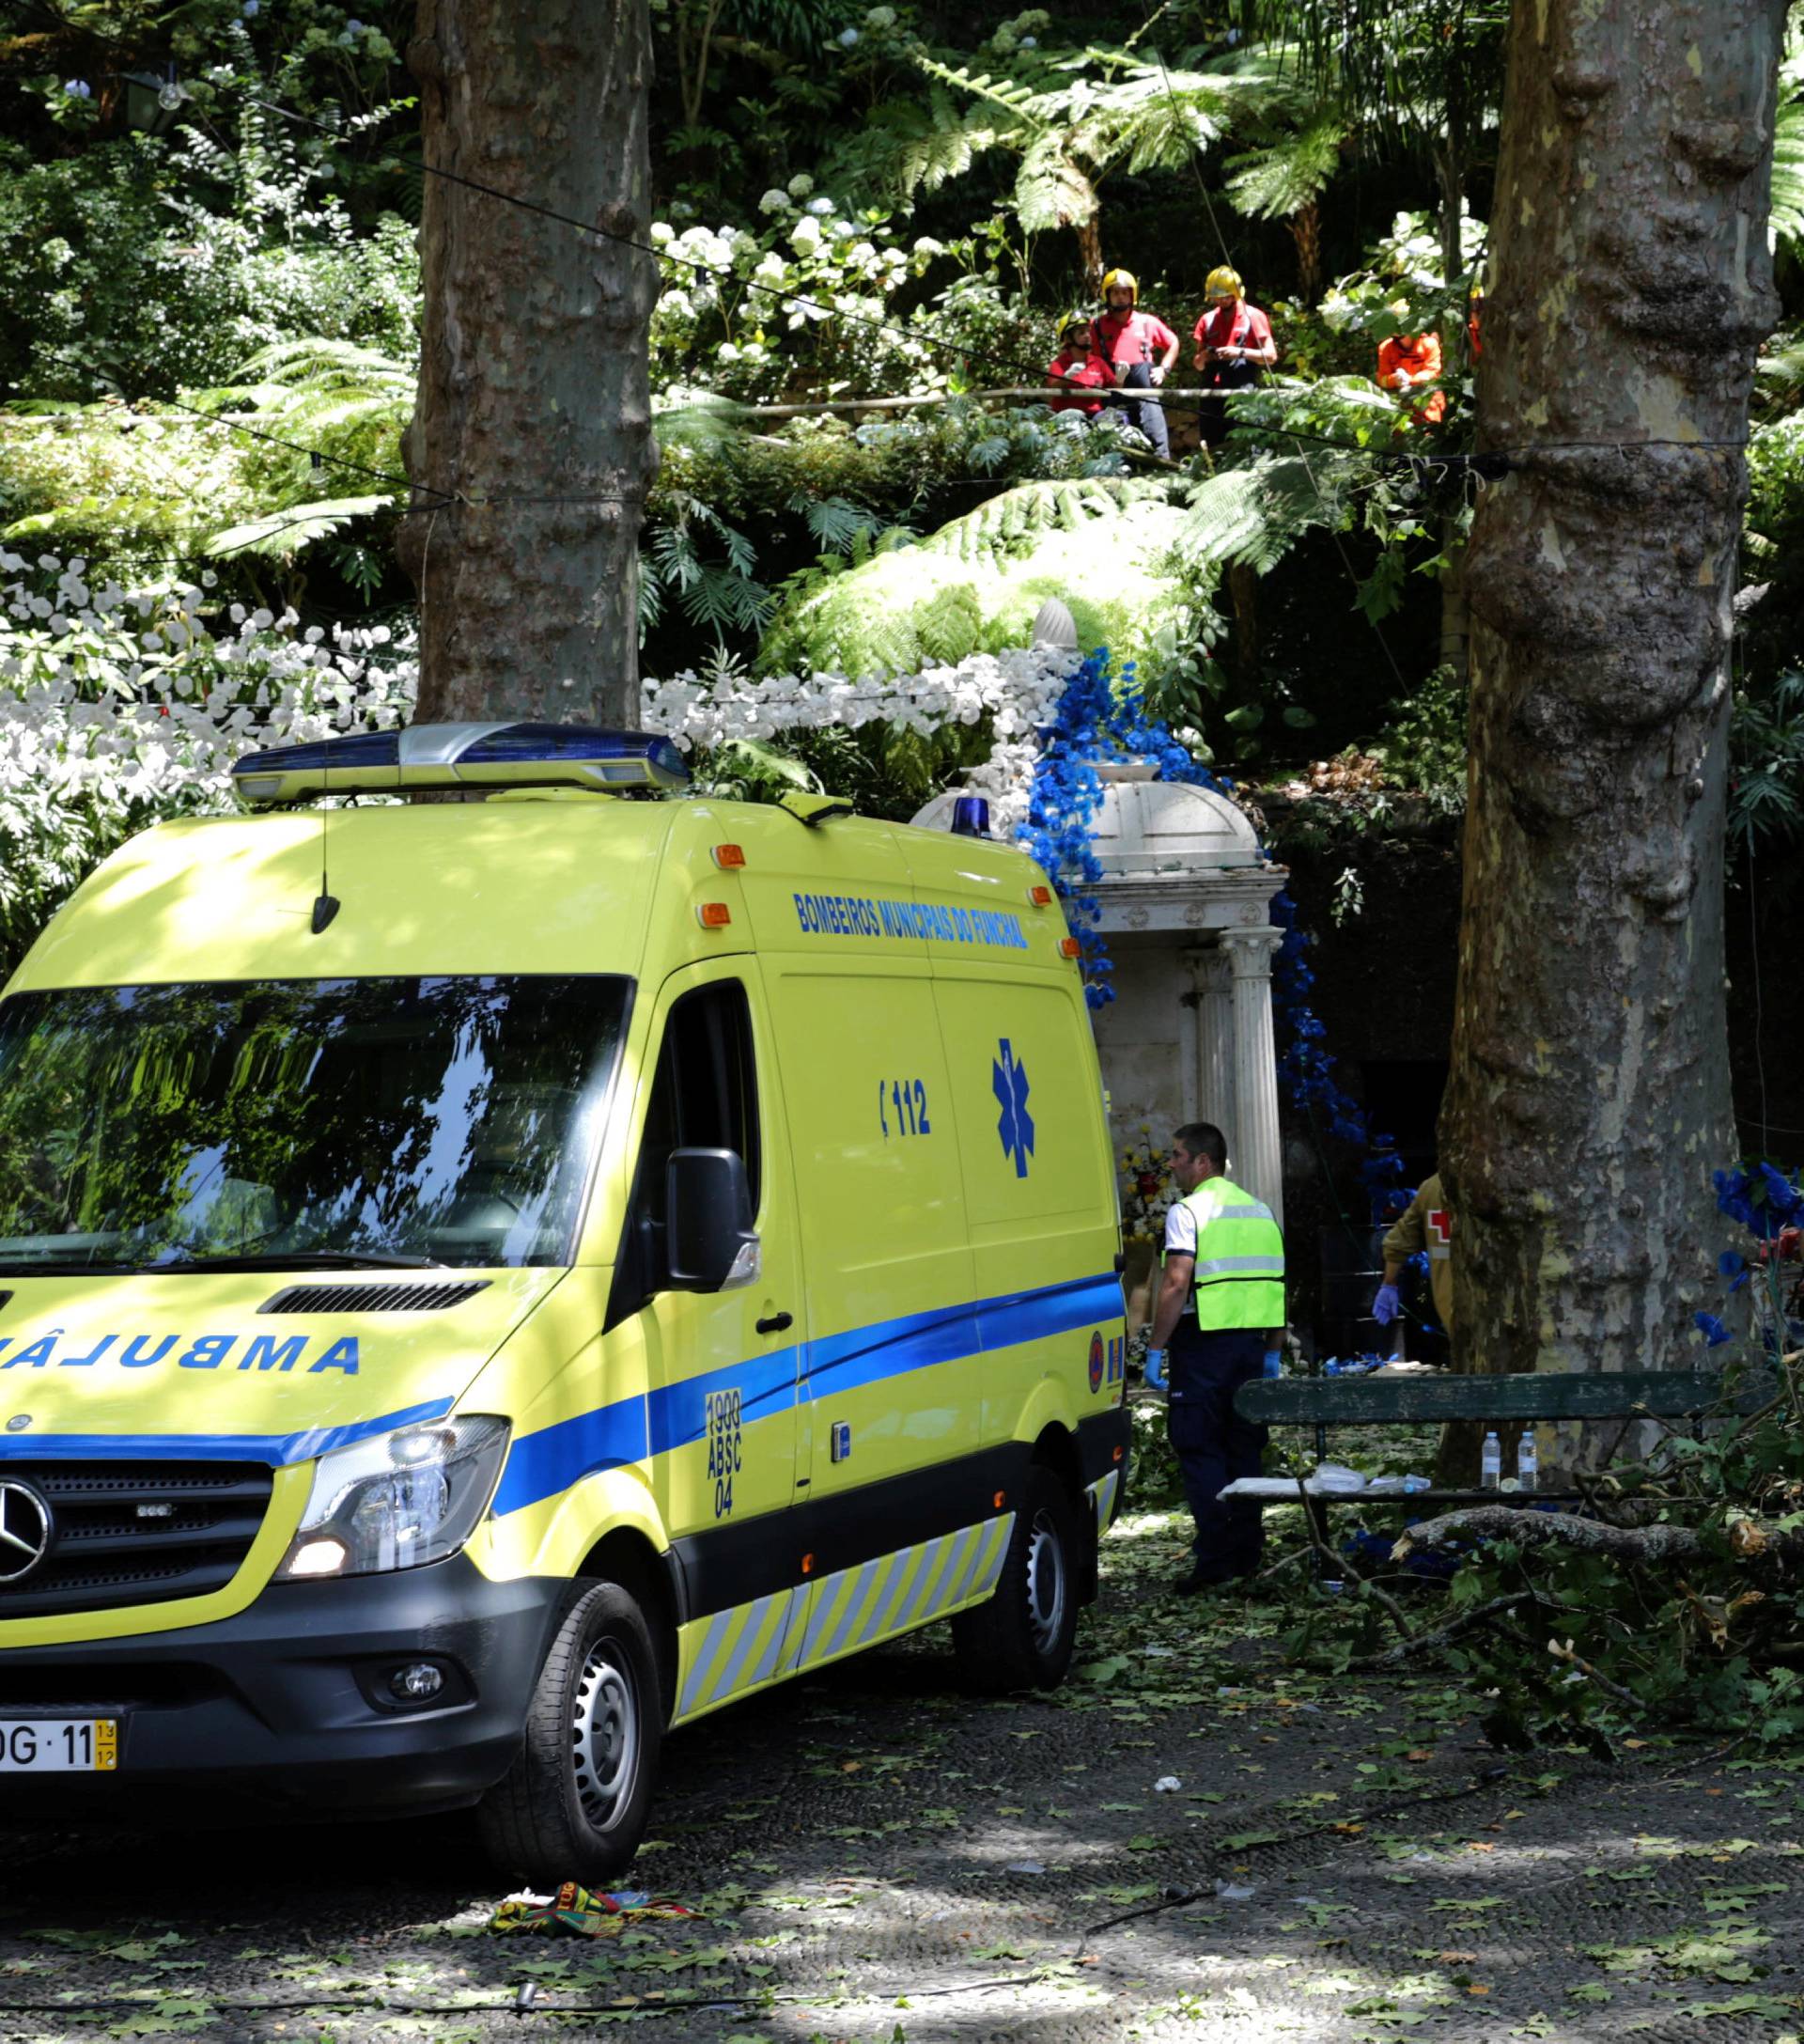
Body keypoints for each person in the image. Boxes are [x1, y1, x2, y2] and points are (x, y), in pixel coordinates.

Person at [1143, 1121, 1285, 1592]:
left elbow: (1176, 1282)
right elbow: (1275, 1287)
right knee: (1244, 1447)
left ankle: (1214, 1561)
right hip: (1248, 1348)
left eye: (1179, 1156)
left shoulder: (1188, 1212)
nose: (1174, 1166)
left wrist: (1156, 1349)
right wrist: (1272, 1353)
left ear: (1203, 1161)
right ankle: (1247, 1554)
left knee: (1200, 1447)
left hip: (1203, 1344)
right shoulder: (1261, 1212)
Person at [1090, 268, 1179, 459]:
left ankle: (1161, 458)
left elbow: (1173, 342)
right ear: (1108, 296)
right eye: (1115, 292)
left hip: (1143, 385)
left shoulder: (1147, 322)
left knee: (1147, 391)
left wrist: (1164, 369)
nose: (1120, 297)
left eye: (1124, 292)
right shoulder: (1096, 326)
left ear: (1132, 295)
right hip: (1113, 387)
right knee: (1108, 429)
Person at [1191, 265, 1277, 449]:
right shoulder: (1207, 320)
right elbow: (1198, 364)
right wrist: (1206, 356)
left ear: (1236, 293)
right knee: (1213, 443)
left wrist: (1240, 352)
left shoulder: (1253, 316)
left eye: (1225, 297)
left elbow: (1271, 356)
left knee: (1249, 441)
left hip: (1243, 391)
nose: (1221, 302)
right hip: (1212, 392)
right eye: (1217, 298)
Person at [1373, 1169, 1452, 1342]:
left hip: (1452, 1313)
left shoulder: (1433, 1187)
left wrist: (1389, 1283)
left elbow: (1399, 1240)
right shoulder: (1508, 1182)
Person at [1046, 314, 1117, 421]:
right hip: (1066, 417)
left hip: (1095, 416)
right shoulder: (1058, 364)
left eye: (1088, 331)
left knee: (1118, 419)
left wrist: (1121, 377)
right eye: (1081, 333)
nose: (1088, 335)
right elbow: (1051, 390)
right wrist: (1066, 378)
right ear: (1068, 338)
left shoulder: (1098, 363)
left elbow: (1115, 388)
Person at [1376, 317, 1447, 425]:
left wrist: (1411, 380)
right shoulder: (1386, 348)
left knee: (1430, 434)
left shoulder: (1428, 344)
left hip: (1427, 401)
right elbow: (1382, 378)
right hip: (1401, 403)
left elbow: (1433, 373)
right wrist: (1394, 380)